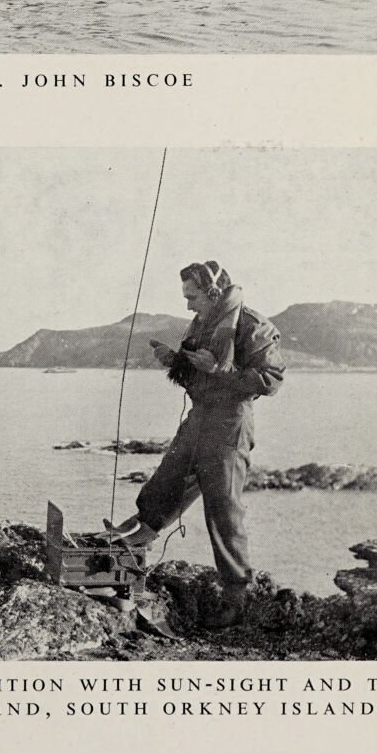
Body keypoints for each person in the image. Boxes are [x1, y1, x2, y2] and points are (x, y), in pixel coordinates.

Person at [106, 260, 284, 627]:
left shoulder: (252, 325)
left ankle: (237, 597)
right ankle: (140, 538)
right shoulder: (202, 323)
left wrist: (221, 370)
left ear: (214, 292)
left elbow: (271, 380)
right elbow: (193, 373)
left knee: (223, 510)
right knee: (167, 479)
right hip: (200, 416)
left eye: (193, 297)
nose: (188, 305)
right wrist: (174, 361)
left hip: (229, 423)